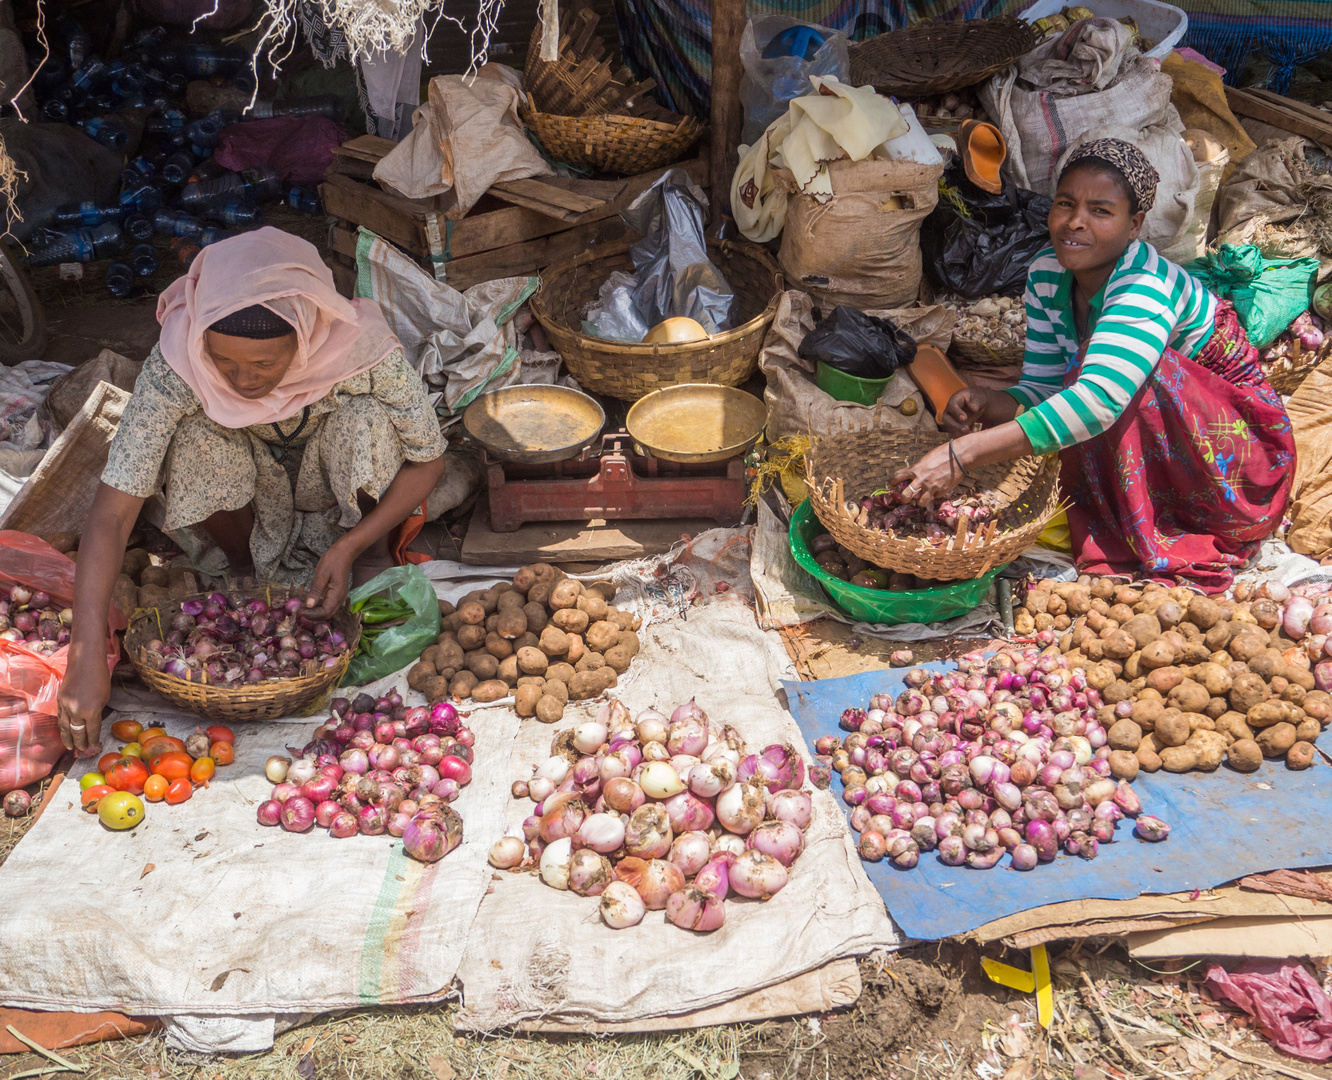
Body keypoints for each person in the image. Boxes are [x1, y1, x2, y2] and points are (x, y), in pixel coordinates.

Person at [57, 228, 446, 754]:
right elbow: (113, 511)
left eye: (264, 364)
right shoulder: (179, 358)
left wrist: (348, 544)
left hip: (333, 492)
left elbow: (429, 460)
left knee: (366, 420)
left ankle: (371, 557)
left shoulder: (362, 347)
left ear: (305, 334)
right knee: (195, 437)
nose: (242, 380)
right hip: (250, 491)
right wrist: (83, 656)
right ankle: (244, 567)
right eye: (224, 362)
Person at [896, 138, 1295, 591]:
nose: (1075, 222)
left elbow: (1099, 402)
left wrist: (962, 455)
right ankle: (1126, 514)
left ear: (1134, 225)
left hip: (1238, 462)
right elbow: (1047, 390)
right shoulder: (1048, 274)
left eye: (1101, 211)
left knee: (1127, 377)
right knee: (1091, 379)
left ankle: (1165, 526)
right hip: (1170, 441)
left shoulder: (1145, 285)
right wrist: (989, 402)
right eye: (1065, 204)